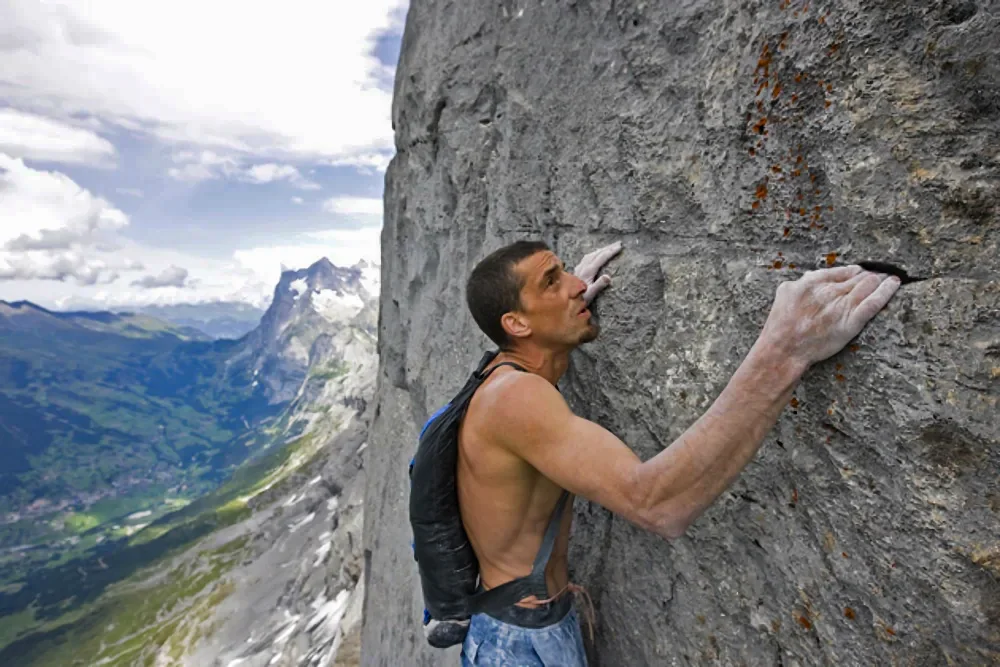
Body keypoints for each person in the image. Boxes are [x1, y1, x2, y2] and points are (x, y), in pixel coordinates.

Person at [456, 239, 901, 666]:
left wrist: (558, 315)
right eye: (552, 281)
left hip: (532, 624)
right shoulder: (514, 400)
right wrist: (785, 350)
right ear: (516, 324)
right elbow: (658, 504)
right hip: (515, 646)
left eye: (567, 273)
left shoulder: (511, 370)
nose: (576, 284)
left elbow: (531, 348)